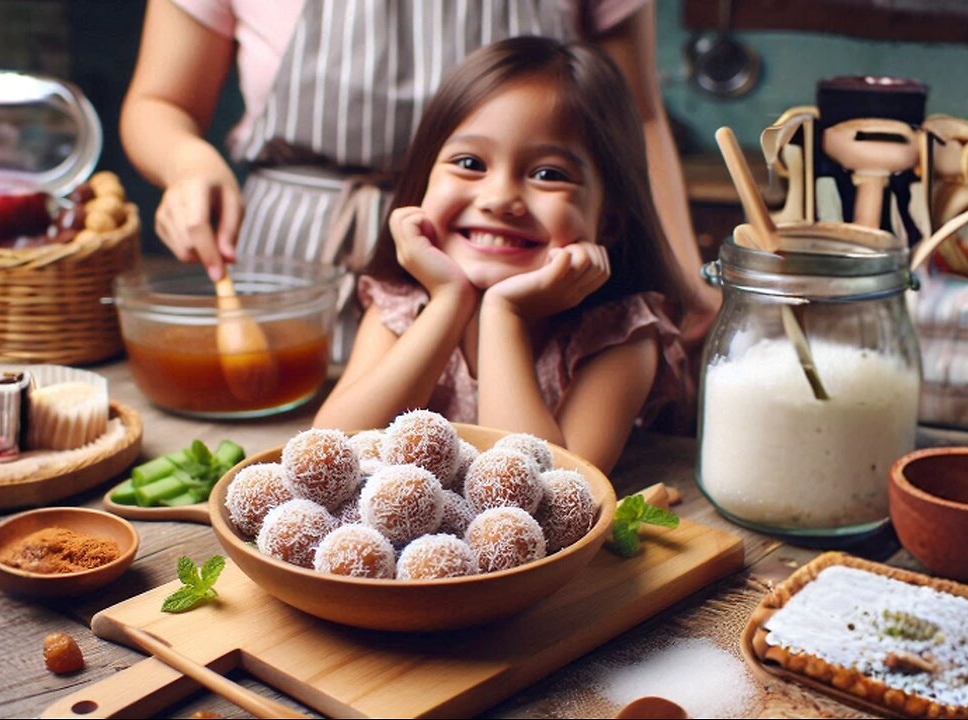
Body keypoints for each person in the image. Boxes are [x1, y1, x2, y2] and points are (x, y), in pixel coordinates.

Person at [119, 1, 719, 360]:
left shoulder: (616, 343)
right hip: (290, 272)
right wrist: (186, 163)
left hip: (515, 274)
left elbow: (634, 116)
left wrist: (685, 279)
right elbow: (157, 102)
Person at [311, 37, 688, 473]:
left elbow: (551, 493)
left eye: (548, 174)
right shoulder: (400, 305)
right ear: (422, 181)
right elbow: (330, 456)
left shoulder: (619, 334)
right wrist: (450, 301)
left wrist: (502, 313)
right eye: (470, 163)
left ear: (608, 221)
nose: (499, 199)